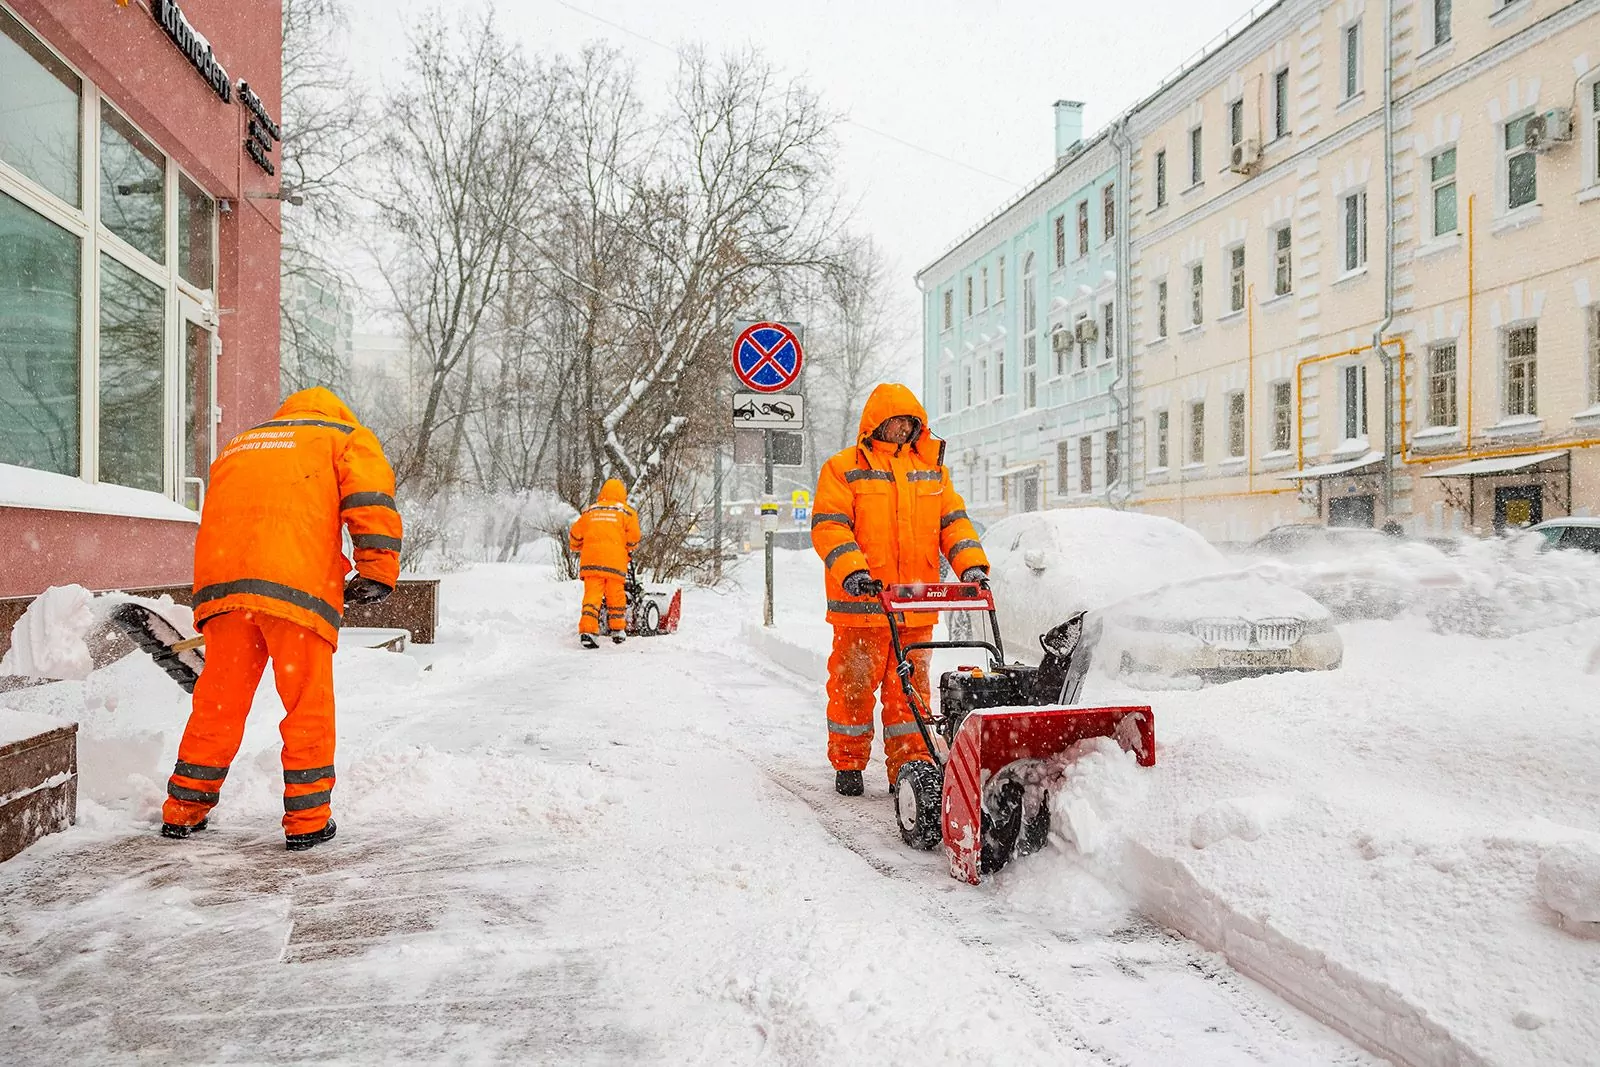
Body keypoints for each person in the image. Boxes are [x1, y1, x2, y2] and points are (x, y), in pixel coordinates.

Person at [160, 388, 402, 852]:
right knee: (307, 703)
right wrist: (376, 569)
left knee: (218, 703)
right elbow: (370, 499)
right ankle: (308, 821)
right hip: (295, 590)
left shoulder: (244, 442)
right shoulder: (343, 437)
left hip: (226, 588)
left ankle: (183, 809)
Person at [811, 383, 989, 797]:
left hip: (916, 606)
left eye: (909, 422)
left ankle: (910, 768)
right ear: (876, 424)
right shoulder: (844, 468)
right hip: (863, 606)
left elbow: (953, 524)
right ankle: (849, 762)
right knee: (853, 689)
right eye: (894, 421)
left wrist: (973, 565)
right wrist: (853, 571)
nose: (901, 429)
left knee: (910, 696)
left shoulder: (931, 472)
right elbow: (829, 525)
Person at [568, 478, 641, 648]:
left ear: (602, 492)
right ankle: (617, 630)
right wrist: (627, 547)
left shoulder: (589, 512)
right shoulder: (627, 513)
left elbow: (575, 535)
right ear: (622, 494)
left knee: (592, 597)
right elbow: (634, 538)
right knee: (616, 596)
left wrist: (577, 546)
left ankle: (588, 631)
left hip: (591, 563)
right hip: (615, 565)